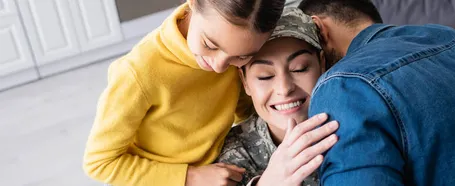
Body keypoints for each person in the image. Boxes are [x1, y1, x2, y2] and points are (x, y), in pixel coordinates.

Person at [217, 7, 455, 186]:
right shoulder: (237, 152)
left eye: (300, 68)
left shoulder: (354, 103)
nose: (283, 89)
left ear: (324, 60)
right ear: (244, 81)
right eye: (264, 75)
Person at [80, 1, 332, 186]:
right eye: (210, 45)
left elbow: (249, 111)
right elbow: (99, 163)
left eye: (241, 57)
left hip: (224, 170)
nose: (221, 66)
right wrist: (190, 176)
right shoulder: (138, 72)